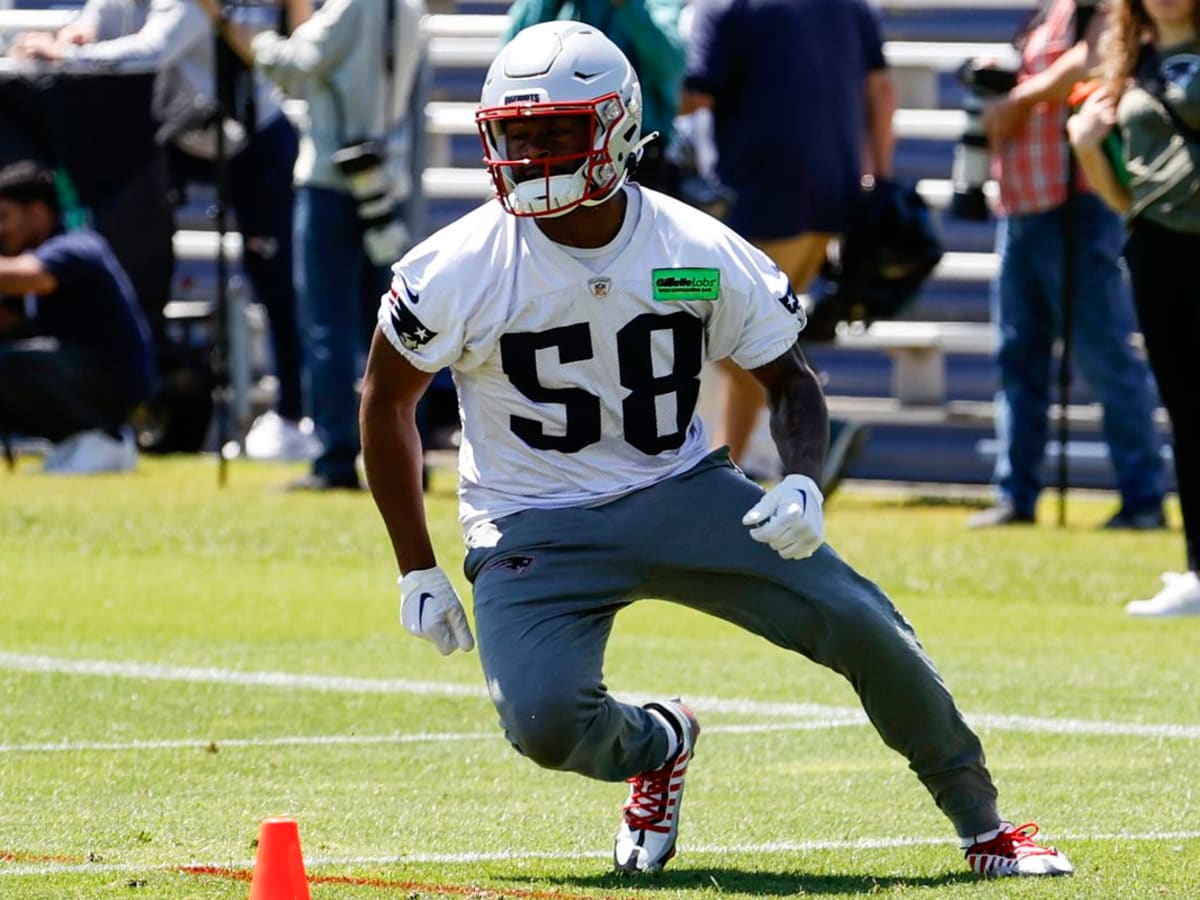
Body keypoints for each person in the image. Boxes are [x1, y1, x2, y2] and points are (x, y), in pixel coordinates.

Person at [360, 21, 1075, 879]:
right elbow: (387, 402)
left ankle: (984, 824)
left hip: (680, 488)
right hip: (533, 521)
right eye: (516, 135)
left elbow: (789, 379)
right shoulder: (456, 267)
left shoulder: (689, 254)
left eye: (557, 133)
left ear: (618, 128)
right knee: (544, 723)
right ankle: (659, 742)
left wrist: (803, 482)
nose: (533, 155)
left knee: (862, 620)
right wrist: (415, 565)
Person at [10, 0, 314, 463]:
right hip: (181, 134)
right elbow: (93, 23)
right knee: (145, 247)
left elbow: (151, 52)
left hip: (253, 140)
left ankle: (294, 414)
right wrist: (66, 40)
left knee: (274, 281)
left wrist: (67, 58)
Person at [679, 0, 897, 491]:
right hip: (828, 209)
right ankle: (736, 476)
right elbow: (881, 90)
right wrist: (877, 184)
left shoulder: (725, 7)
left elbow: (692, 95)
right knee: (751, 338)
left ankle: (804, 436)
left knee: (689, 308)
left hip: (758, 208)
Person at [967, 0, 1166, 529]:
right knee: (1017, 357)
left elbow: (1098, 56)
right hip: (1021, 206)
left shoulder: (1099, 9)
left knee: (1105, 358)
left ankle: (1142, 499)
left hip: (1073, 207)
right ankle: (1016, 496)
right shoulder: (1045, 13)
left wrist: (1017, 100)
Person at [231, 0, 427, 490]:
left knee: (327, 326)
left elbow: (292, 69)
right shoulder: (409, 8)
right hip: (385, 179)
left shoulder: (349, 6)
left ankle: (334, 457)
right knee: (392, 327)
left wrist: (240, 32)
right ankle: (404, 454)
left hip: (331, 180)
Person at [1067, 0, 1200, 614]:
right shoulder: (1128, 64)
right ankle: (1198, 571)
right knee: (1186, 410)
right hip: (1158, 249)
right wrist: (1086, 145)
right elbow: (1125, 195)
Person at [0, 160, 153, 473]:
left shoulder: (77, 246)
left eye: (4, 217)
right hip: (78, 377)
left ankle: (106, 441)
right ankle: (78, 442)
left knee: (10, 364)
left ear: (38, 213)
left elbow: (32, 276)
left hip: (114, 386)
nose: (0, 229)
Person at [502, 0, 686, 195]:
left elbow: (671, 63)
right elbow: (507, 61)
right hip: (555, 155)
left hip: (638, 158)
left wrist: (627, 5)